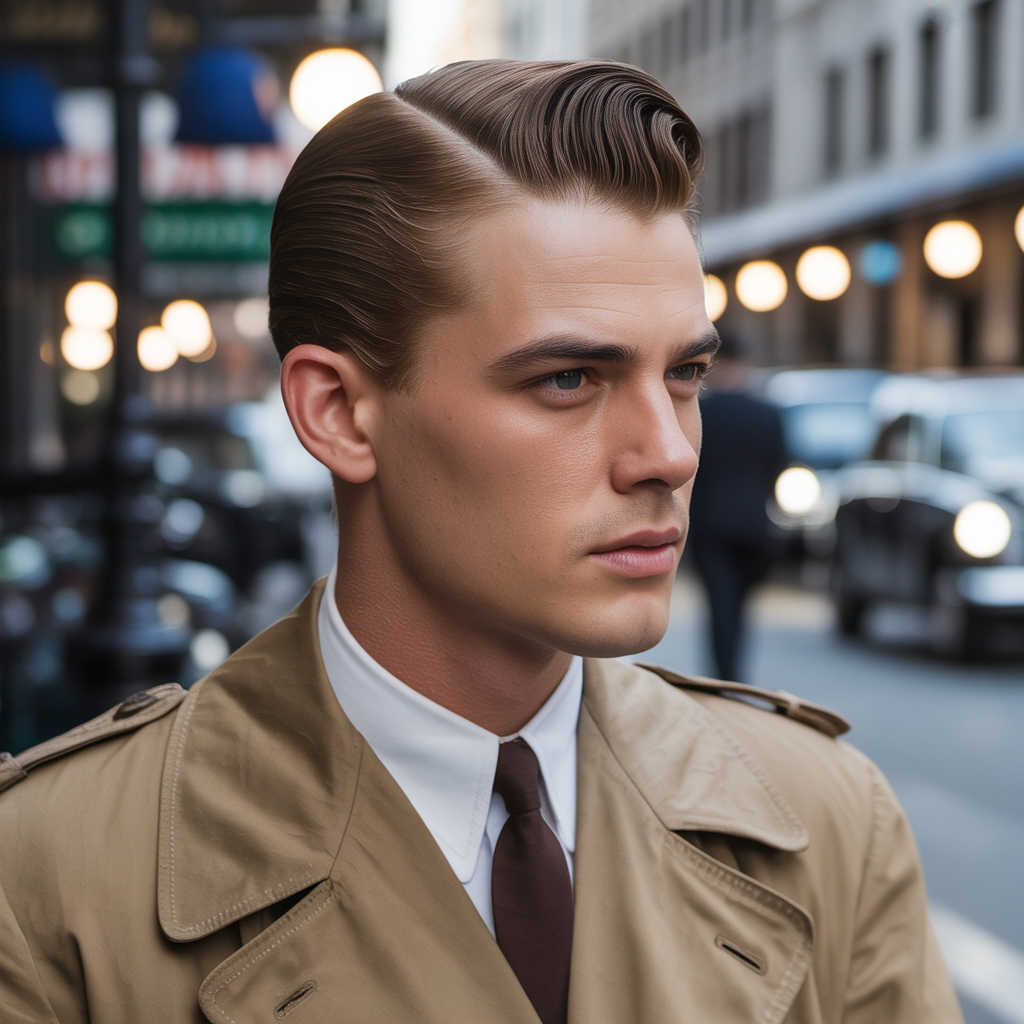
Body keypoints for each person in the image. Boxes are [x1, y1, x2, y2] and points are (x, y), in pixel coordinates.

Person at [0, 61, 961, 1024]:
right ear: (338, 412)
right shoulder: (49, 880)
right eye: (569, 380)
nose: (667, 455)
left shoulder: (828, 822)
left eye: (685, 374)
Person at [688, 334, 788, 680]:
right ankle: (736, 675)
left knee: (720, 606)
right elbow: (780, 468)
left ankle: (724, 675)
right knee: (742, 607)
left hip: (709, 525)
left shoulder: (701, 413)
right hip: (754, 525)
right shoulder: (766, 414)